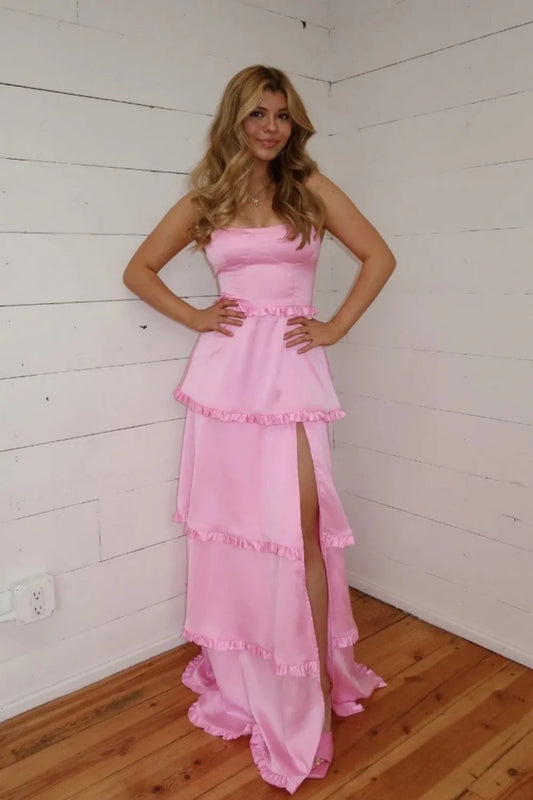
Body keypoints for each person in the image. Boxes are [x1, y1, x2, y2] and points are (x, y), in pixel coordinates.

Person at [123, 64, 396, 793]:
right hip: (225, 385)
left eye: (280, 114)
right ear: (234, 122)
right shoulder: (207, 199)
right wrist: (195, 316)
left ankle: (309, 684)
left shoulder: (310, 190)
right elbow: (139, 270)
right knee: (241, 529)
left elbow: (379, 256)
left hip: (291, 377)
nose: (270, 127)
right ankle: (252, 668)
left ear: (293, 122)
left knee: (301, 530)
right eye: (256, 114)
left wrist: (334, 325)